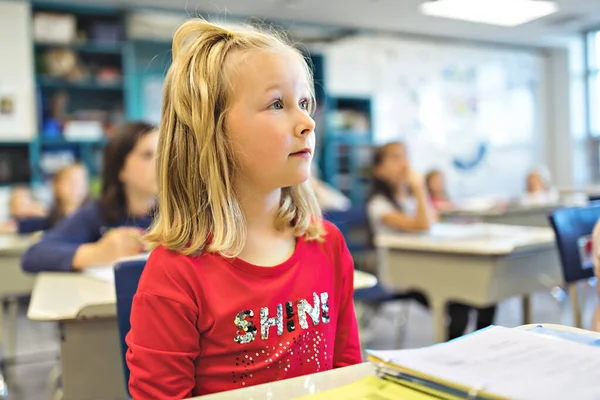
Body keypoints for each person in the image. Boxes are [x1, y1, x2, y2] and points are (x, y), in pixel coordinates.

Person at [126, 20, 362, 398]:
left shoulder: (328, 244)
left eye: (304, 103)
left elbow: (347, 377)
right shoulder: (177, 274)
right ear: (213, 133)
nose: (306, 122)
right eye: (277, 104)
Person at [367, 142, 496, 340]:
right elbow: (424, 224)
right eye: (395, 158)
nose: (404, 164)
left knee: (484, 294)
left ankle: (480, 345)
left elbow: (430, 218)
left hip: (428, 269)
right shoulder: (378, 205)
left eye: (405, 156)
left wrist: (418, 193)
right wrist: (419, 187)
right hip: (402, 277)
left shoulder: (409, 200)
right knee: (459, 305)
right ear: (379, 169)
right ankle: (453, 356)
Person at [21, 121, 157, 272]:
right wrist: (98, 253)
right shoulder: (97, 213)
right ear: (120, 168)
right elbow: (34, 255)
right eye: (147, 155)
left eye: (165, 154)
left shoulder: (180, 215)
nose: (161, 163)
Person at [42, 162, 90, 230]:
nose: (77, 186)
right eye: (71, 181)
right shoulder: (52, 218)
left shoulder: (93, 216)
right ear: (56, 185)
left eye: (81, 181)